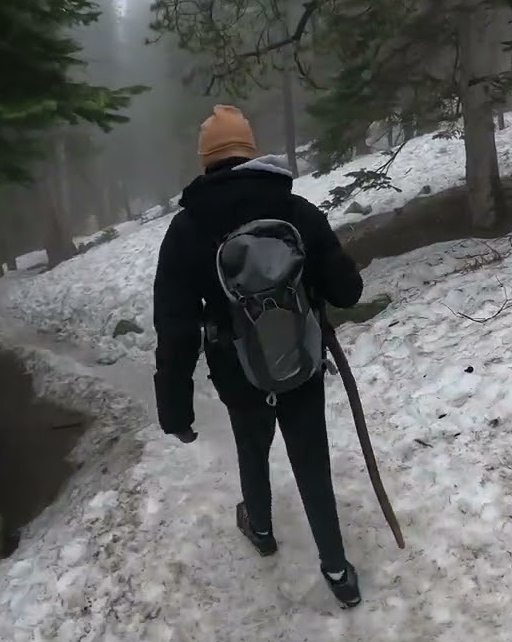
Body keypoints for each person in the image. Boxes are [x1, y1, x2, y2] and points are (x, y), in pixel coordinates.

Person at [152, 105, 365, 608]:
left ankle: (262, 529)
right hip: (301, 359)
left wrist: (176, 412)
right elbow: (348, 291)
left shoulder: (187, 230)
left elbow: (175, 329)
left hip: (237, 370)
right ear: (250, 151)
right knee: (311, 459)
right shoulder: (295, 211)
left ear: (206, 160)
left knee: (252, 448)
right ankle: (337, 570)